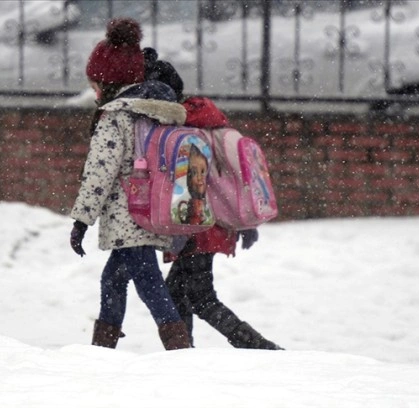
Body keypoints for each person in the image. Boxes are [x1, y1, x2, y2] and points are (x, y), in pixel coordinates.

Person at [143, 47, 283, 350]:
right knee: (177, 290)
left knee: (202, 298)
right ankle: (184, 354)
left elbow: (194, 184)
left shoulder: (184, 129)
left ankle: (261, 348)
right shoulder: (210, 121)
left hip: (198, 223)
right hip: (215, 221)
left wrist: (182, 229)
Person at [69, 18, 191, 350]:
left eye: (95, 84)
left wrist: (82, 220)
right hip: (154, 205)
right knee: (113, 278)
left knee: (149, 281)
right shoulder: (157, 111)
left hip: (128, 213)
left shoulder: (116, 116)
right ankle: (102, 350)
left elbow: (99, 172)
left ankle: (180, 349)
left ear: (108, 83)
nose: (93, 91)